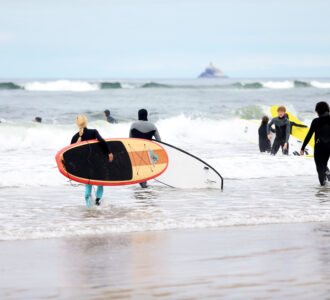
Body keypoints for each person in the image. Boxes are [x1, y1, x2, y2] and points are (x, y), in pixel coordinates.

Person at [71, 115, 114, 207]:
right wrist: (109, 153)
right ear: (86, 122)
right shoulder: (94, 132)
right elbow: (102, 142)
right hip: (97, 163)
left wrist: (72, 167)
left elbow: (70, 154)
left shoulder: (75, 137)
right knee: (99, 183)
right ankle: (98, 201)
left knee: (88, 184)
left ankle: (89, 207)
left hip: (85, 166)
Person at [300, 102, 330, 186]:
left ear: (318, 110)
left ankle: (323, 190)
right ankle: (327, 182)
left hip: (319, 147)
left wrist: (303, 148)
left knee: (320, 168)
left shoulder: (316, 121)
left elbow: (309, 135)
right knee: (324, 165)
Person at [129, 109, 161, 188]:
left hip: (137, 151)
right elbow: (159, 140)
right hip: (148, 152)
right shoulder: (152, 126)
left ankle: (143, 185)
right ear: (146, 115)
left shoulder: (133, 125)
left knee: (139, 170)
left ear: (138, 115)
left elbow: (129, 139)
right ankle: (144, 185)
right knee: (145, 169)